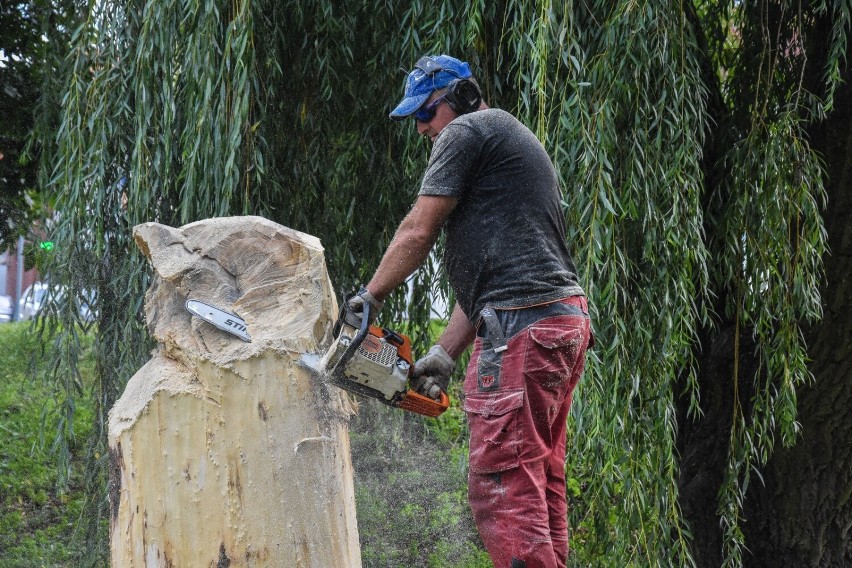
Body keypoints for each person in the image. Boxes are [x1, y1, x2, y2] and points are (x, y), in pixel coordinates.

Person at [348, 54, 593, 568]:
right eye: (413, 118)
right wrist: (442, 353)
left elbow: (419, 229)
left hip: (522, 329)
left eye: (427, 113)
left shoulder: (468, 132)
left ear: (461, 98)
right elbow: (491, 279)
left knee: (501, 484)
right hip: (558, 321)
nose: (421, 128)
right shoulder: (510, 141)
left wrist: (368, 299)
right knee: (539, 477)